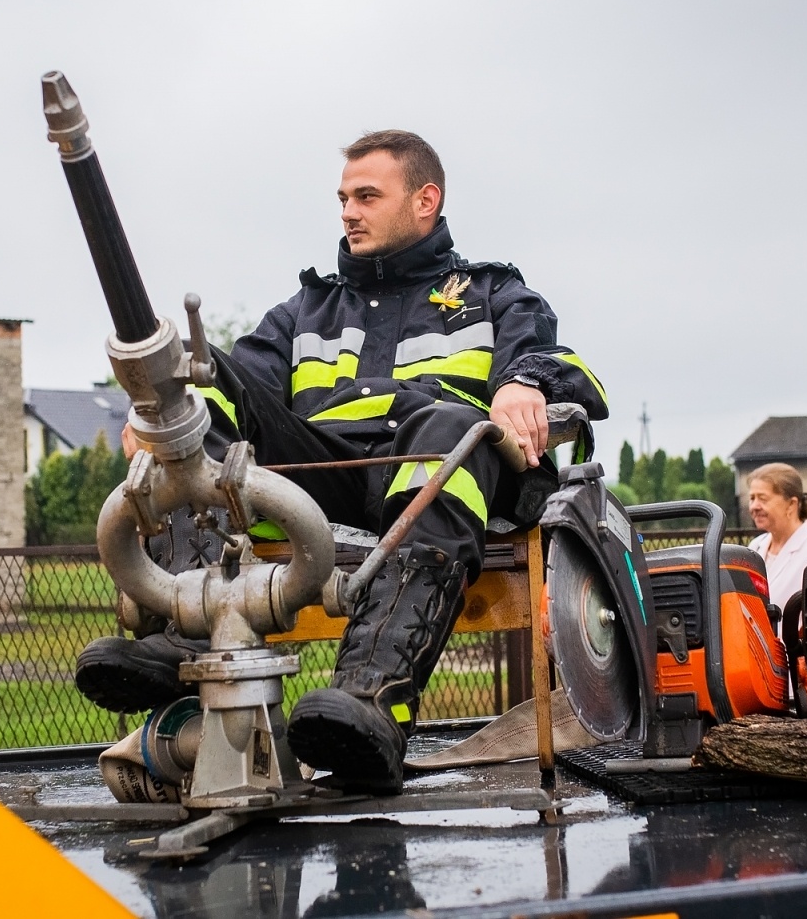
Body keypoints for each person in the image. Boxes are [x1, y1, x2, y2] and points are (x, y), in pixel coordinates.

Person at [74, 130, 609, 793]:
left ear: (425, 200)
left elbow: (566, 367)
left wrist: (523, 382)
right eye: (343, 198)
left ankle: (371, 699)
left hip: (433, 476)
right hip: (315, 489)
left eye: (366, 196)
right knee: (202, 384)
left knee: (446, 423)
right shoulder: (304, 310)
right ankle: (186, 626)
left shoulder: (494, 294)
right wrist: (166, 411)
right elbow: (239, 392)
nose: (348, 212)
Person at [746, 462, 807, 618]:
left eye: (762, 499)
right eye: (752, 498)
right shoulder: (755, 547)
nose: (754, 506)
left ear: (791, 504)